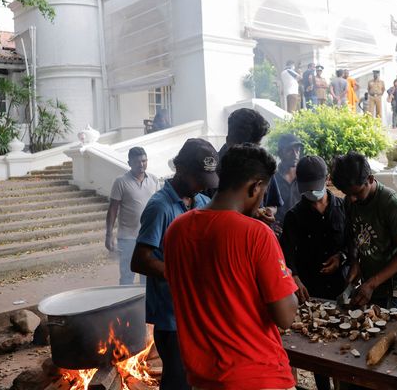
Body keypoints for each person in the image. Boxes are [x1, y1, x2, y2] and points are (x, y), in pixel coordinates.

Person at [163, 144, 298, 390]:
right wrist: (286, 278)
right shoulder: (258, 235)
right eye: (263, 192)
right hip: (259, 377)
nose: (261, 201)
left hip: (204, 380)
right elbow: (286, 317)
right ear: (255, 186)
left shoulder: (176, 231)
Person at [130, 138, 219, 390]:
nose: (203, 185)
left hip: (199, 313)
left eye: (206, 179)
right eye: (198, 178)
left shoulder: (201, 202)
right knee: (177, 382)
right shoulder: (160, 207)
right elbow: (139, 260)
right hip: (172, 319)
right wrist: (179, 273)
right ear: (180, 169)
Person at [280, 156, 345, 390]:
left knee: (342, 348)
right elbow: (285, 255)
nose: (312, 196)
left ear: (326, 180)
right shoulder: (294, 216)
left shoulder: (343, 208)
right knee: (317, 350)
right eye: (306, 190)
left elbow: (354, 246)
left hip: (341, 288)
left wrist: (341, 258)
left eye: (315, 189)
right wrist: (294, 277)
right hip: (311, 292)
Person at [331, 151, 397, 312]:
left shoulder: (392, 204)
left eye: (357, 193)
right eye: (348, 194)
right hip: (371, 289)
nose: (352, 199)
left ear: (370, 179)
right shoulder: (350, 201)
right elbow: (353, 236)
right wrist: (355, 262)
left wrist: (371, 283)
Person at [218, 108, 283, 227]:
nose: (252, 153)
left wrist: (267, 212)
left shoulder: (263, 164)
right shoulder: (213, 169)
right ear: (229, 140)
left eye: (256, 146)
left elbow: (273, 204)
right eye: (245, 147)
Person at [105, 147, 159, 285]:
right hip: (128, 237)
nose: (141, 164)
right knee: (127, 275)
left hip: (149, 237)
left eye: (144, 161)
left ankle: (144, 305)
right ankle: (125, 305)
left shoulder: (153, 180)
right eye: (137, 162)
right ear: (129, 163)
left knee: (147, 275)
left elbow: (159, 207)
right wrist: (109, 235)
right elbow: (113, 209)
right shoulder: (120, 182)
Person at [273, 134, 304, 236]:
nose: (296, 154)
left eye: (297, 150)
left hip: (302, 232)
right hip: (280, 234)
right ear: (280, 153)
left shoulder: (304, 176)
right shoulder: (272, 179)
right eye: (290, 150)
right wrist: (269, 224)